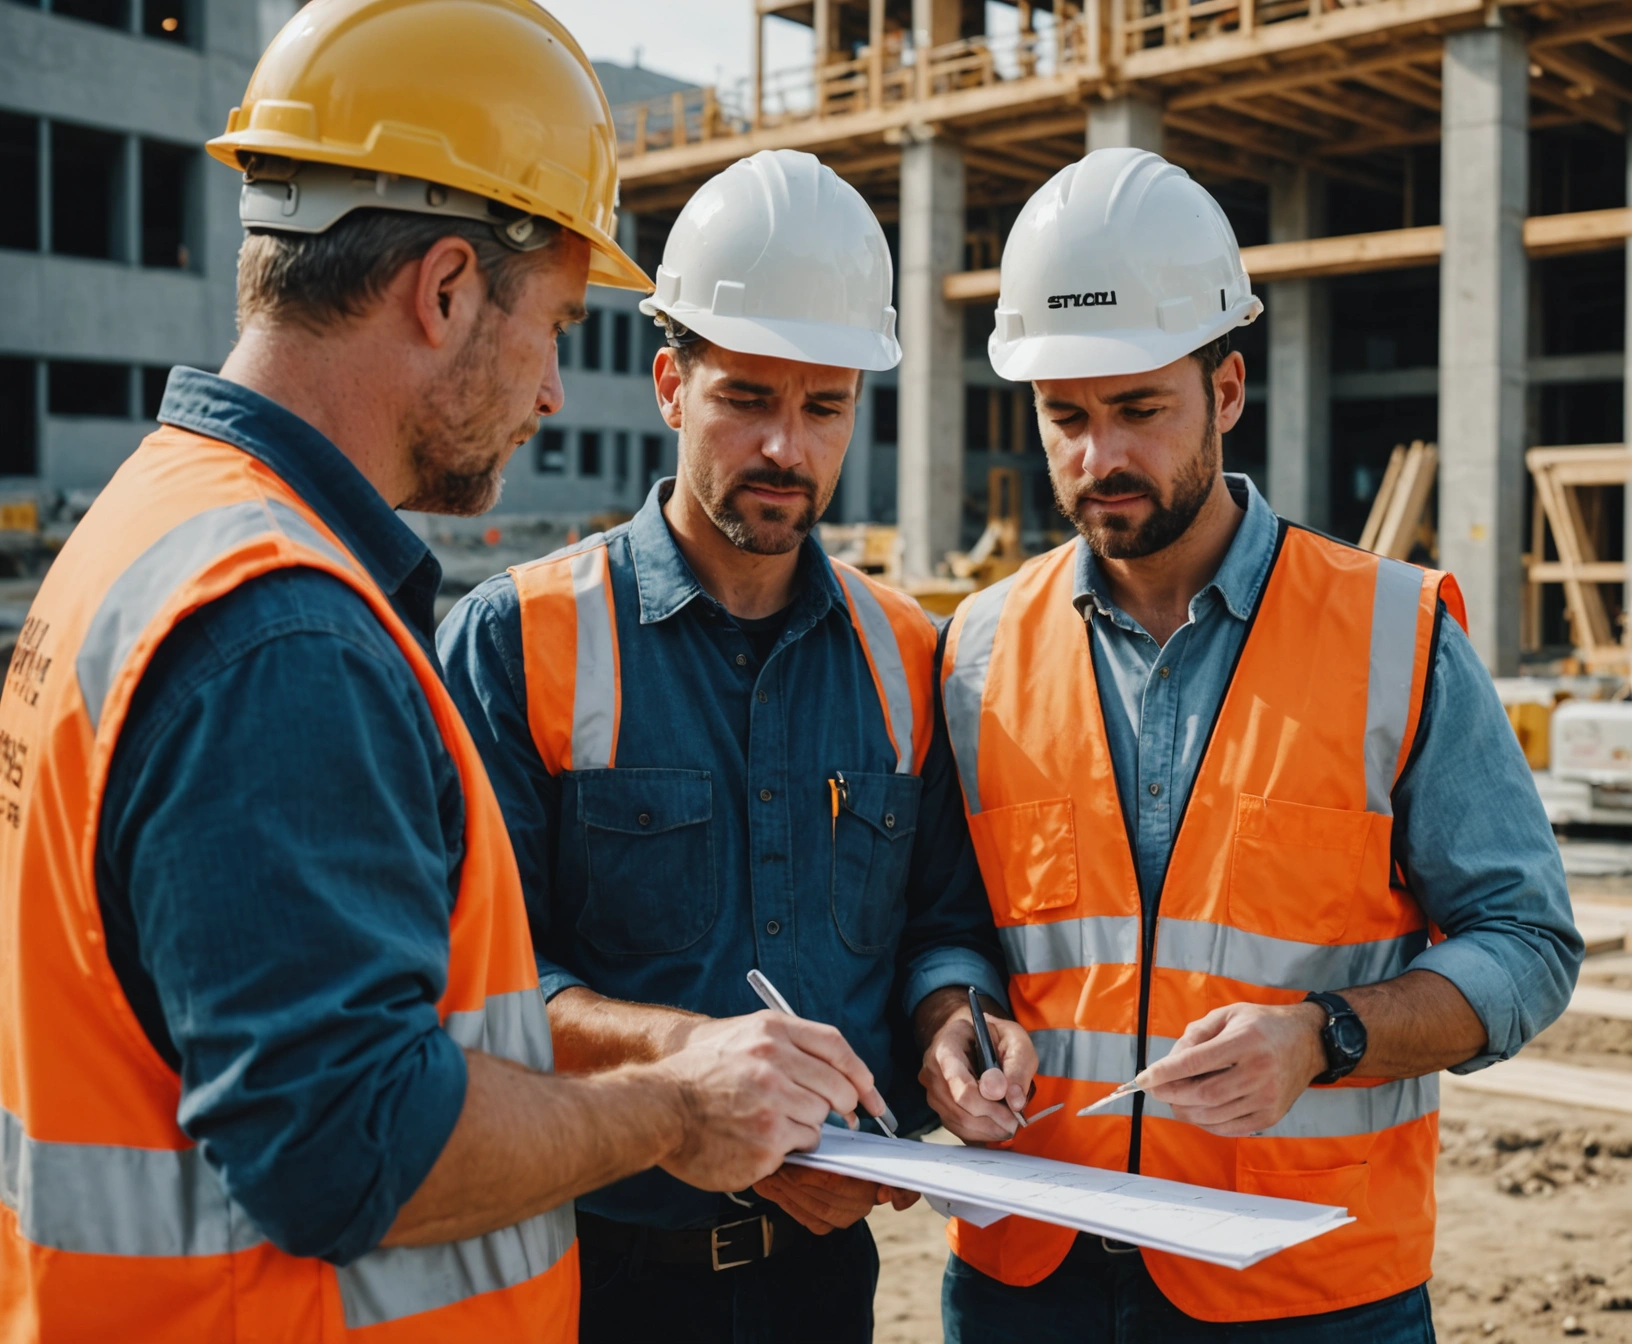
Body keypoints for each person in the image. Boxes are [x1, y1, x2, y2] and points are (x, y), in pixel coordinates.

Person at [0, 5, 877, 1340]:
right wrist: (679, 1106)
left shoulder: (158, 525)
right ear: (448, 287)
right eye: (556, 327)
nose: (545, 395)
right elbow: (347, 1145)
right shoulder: (279, 634)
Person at [934, 147, 1583, 1342]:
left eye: (1139, 410)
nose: (1098, 458)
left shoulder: (1395, 634)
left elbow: (1530, 943)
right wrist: (951, 1020)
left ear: (1228, 390)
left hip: (1307, 1291)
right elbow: (952, 926)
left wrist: (1327, 1036)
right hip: (1030, 1278)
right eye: (1065, 417)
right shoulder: (977, 647)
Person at [439, 147, 1036, 1344]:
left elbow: (940, 923)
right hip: (585, 1275)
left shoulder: (903, 655)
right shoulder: (521, 639)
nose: (786, 448)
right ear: (670, 384)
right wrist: (721, 1091)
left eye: (823, 408)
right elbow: (474, 984)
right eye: (748, 397)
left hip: (819, 1283)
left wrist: (953, 1023)